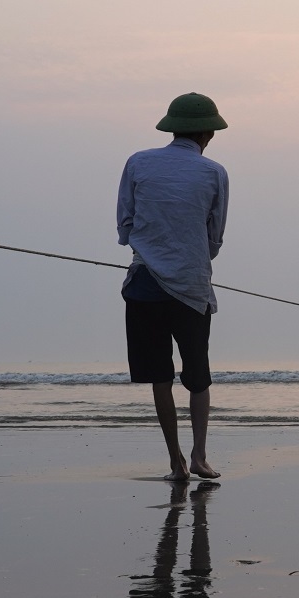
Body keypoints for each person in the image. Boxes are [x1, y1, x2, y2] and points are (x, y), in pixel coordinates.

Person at [116, 93, 230, 481]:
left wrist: (151, 252)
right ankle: (199, 456)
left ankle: (176, 461)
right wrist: (190, 261)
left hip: (144, 285)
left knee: (160, 378)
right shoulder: (215, 172)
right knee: (198, 378)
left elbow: (125, 223)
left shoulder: (138, 161)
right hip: (192, 289)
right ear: (206, 133)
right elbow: (214, 237)